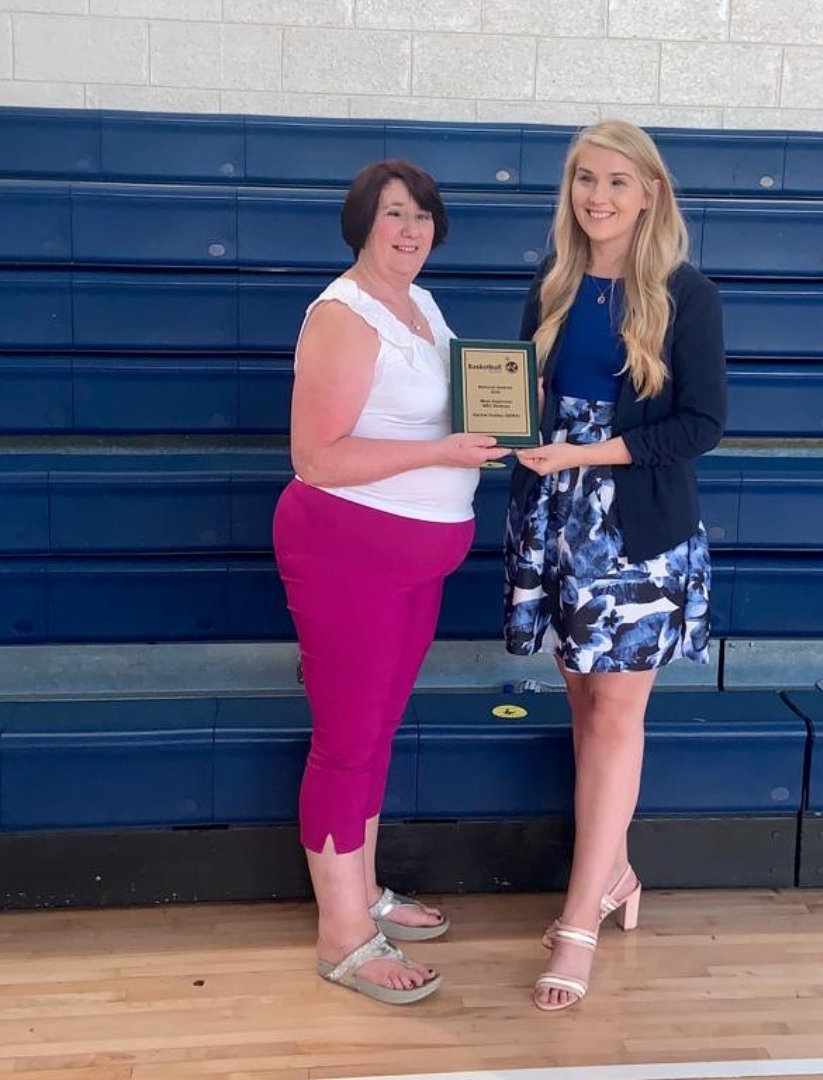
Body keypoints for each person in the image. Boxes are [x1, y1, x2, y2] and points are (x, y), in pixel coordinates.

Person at [272, 160, 509, 1005]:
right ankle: (343, 938)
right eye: (392, 216)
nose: (409, 231)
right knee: (346, 739)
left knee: (375, 732)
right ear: (360, 225)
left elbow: (431, 407)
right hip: (348, 551)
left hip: (413, 559)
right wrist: (441, 451)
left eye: (421, 217)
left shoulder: (422, 304)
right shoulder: (345, 315)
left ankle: (362, 891)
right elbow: (316, 457)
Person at [504, 120, 727, 1012]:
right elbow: (522, 400)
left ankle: (581, 921)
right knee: (584, 706)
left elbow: (700, 426)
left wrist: (587, 457)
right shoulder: (552, 287)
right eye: (585, 180)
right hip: (555, 521)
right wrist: (508, 439)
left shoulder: (686, 294)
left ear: (650, 195)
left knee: (615, 718)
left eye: (617, 183)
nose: (598, 196)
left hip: (634, 532)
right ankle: (617, 872)